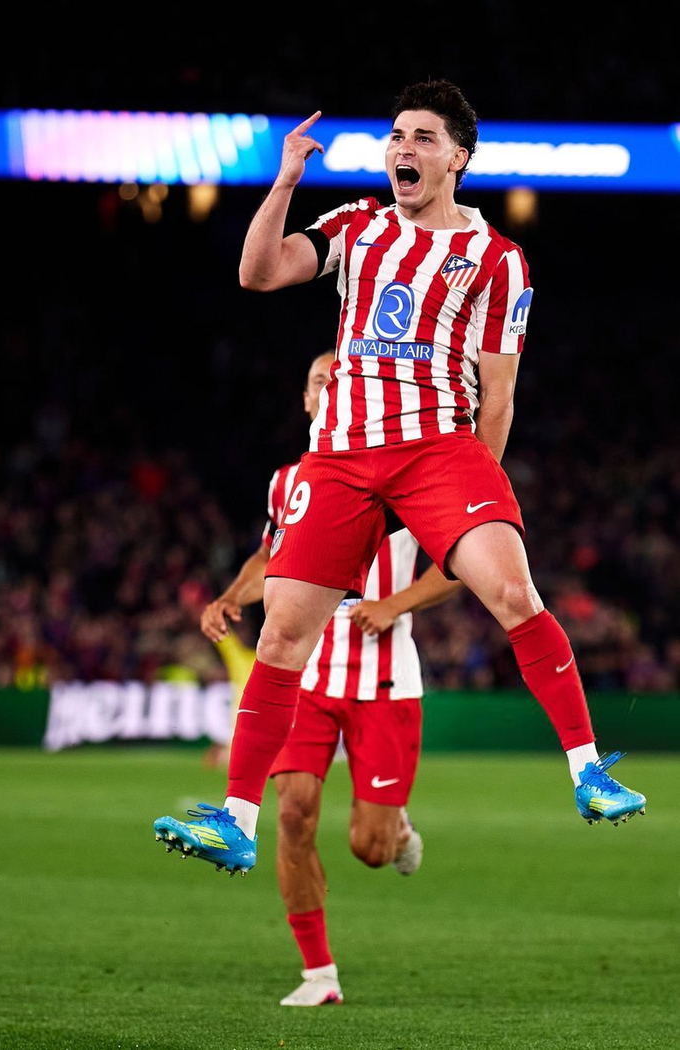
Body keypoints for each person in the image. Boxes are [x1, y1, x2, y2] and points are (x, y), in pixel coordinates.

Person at [153, 77, 646, 881]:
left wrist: (474, 493)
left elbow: (499, 394)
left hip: (437, 451)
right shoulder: (357, 225)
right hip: (341, 457)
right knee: (281, 635)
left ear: (457, 158)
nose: (403, 149)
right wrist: (284, 180)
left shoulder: (497, 260)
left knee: (513, 591)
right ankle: (235, 820)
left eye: (422, 137)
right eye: (396, 135)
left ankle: (589, 771)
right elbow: (259, 272)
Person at [194, 351, 460, 1005]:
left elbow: (459, 562)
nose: (330, 389)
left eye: (341, 380)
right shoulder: (288, 483)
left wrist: (394, 604)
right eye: (320, 381)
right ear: (309, 400)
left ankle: (396, 830)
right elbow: (270, 554)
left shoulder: (407, 475)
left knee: (370, 848)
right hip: (306, 678)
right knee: (292, 813)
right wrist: (230, 596)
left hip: (385, 681)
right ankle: (319, 974)